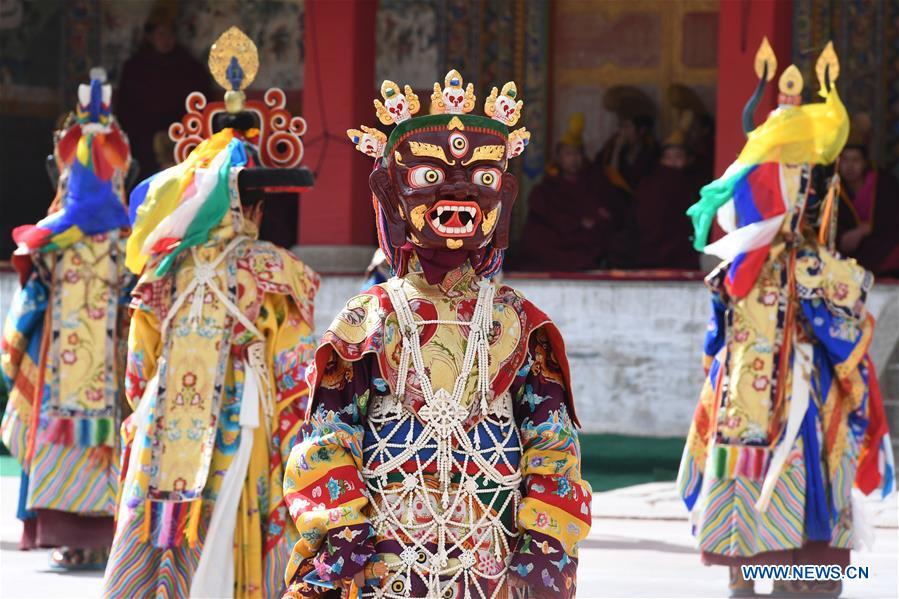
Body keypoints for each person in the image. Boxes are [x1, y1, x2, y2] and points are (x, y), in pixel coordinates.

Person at [283, 71, 592, 598]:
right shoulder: (367, 321)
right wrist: (346, 536)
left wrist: (542, 551)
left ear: (505, 200)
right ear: (390, 195)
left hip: (490, 565)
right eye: (429, 178)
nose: (458, 192)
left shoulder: (521, 325)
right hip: (383, 566)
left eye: (484, 179)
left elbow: (554, 449)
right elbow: (329, 440)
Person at [101, 29, 319, 598]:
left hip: (168, 413)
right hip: (241, 414)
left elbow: (137, 370)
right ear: (257, 207)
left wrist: (151, 403)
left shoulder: (163, 270)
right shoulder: (276, 271)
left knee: (156, 516)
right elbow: (298, 375)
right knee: (235, 517)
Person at [677, 42, 894, 598]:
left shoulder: (736, 269)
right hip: (782, 394)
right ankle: (785, 575)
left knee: (767, 464)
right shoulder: (794, 266)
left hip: (753, 394)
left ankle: (757, 573)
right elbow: (851, 302)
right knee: (796, 474)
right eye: (792, 178)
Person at [0, 69, 134, 570]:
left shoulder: (53, 236)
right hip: (106, 367)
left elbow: (32, 287)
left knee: (77, 447)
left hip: (70, 370)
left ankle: (74, 537)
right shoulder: (125, 235)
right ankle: (93, 537)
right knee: (105, 447)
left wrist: (13, 350)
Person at [115, 1, 211, 177]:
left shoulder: (188, 66)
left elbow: (202, 102)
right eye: (161, 34)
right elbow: (126, 109)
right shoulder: (135, 67)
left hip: (180, 139)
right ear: (150, 37)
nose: (166, 39)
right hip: (144, 144)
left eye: (170, 34)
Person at [513, 113, 608, 271]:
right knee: (536, 236)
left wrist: (597, 216)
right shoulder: (547, 187)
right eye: (568, 154)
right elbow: (547, 213)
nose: (574, 159)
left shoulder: (592, 182)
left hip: (581, 238)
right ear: (558, 157)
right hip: (558, 237)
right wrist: (575, 223)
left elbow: (601, 210)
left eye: (578, 154)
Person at [590, 86, 659, 268]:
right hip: (615, 208)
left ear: (641, 130)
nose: (621, 131)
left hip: (642, 208)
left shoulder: (653, 151)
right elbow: (600, 175)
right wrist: (617, 150)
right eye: (620, 126)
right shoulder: (612, 148)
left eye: (626, 127)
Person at [836, 114, 899, 278]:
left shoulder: (885, 185)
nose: (850, 166)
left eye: (855, 160)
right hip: (848, 261)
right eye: (845, 160)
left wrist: (867, 230)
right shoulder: (834, 190)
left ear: (865, 162)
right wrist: (852, 234)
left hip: (885, 257)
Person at [634, 127, 701, 270]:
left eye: (678, 157)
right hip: (657, 246)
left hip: (681, 247)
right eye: (668, 157)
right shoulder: (653, 182)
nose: (672, 162)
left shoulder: (692, 181)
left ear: (689, 159)